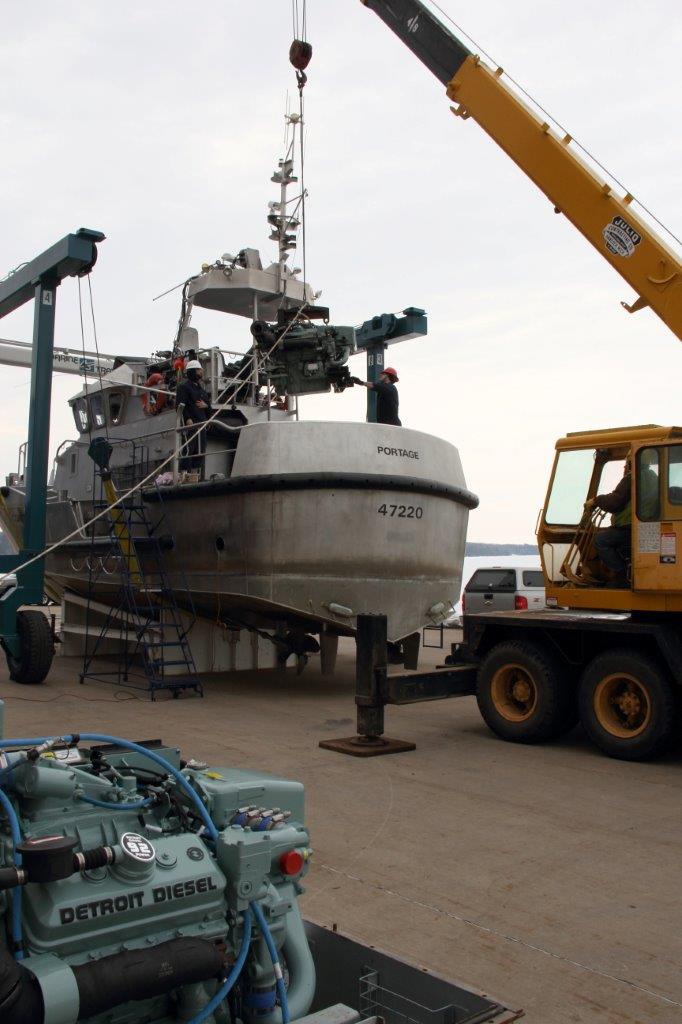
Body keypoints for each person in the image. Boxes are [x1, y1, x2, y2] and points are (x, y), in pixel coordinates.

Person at [585, 457, 632, 587]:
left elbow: (615, 501)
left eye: (626, 464)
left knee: (601, 540)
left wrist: (596, 501)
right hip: (636, 528)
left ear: (630, 463)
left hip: (628, 528)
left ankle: (622, 576)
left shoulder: (631, 478)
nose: (624, 467)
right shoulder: (652, 478)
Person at [175, 359, 212, 475]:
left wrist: (206, 406)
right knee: (188, 449)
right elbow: (180, 405)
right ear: (193, 371)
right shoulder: (184, 388)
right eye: (199, 369)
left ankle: (196, 475)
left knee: (200, 450)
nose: (202, 371)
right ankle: (184, 474)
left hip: (201, 425)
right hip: (191, 425)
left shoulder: (202, 390)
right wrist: (187, 419)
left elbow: (208, 405)